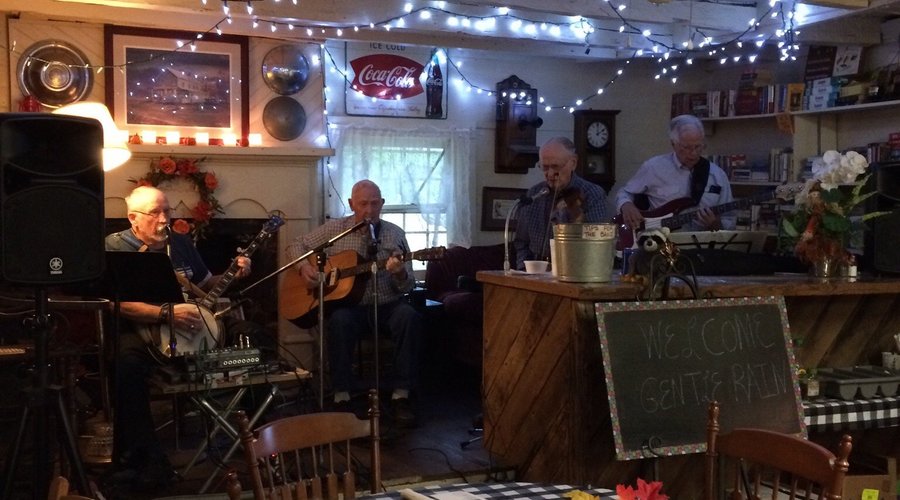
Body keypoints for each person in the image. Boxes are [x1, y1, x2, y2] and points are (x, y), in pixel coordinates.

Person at [105, 186, 264, 493]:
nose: (164, 218)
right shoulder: (115, 247)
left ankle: (255, 436)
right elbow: (112, 303)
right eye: (155, 213)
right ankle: (147, 458)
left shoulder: (180, 243)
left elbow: (206, 284)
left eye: (168, 211)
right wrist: (164, 314)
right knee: (125, 364)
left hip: (192, 326)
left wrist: (235, 272)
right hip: (141, 329)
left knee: (255, 338)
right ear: (133, 218)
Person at [286, 180, 422, 427]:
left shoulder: (395, 235)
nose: (369, 210)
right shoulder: (335, 230)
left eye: (374, 203)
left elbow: (408, 285)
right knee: (339, 320)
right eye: (363, 204)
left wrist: (399, 273)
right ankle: (342, 394)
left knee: (409, 316)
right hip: (351, 307)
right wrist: (303, 266)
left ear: (382, 204)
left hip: (387, 306)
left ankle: (401, 394)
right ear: (351, 204)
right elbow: (296, 245)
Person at [616, 114, 735, 233]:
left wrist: (715, 224)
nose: (693, 153)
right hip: (661, 243)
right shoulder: (653, 167)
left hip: (702, 246)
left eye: (698, 146)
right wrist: (626, 205)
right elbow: (625, 192)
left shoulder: (718, 175)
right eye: (687, 147)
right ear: (673, 144)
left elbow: (729, 220)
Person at [514, 136, 609, 270]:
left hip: (576, 270)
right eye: (545, 167)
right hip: (536, 271)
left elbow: (597, 244)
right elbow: (521, 242)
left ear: (573, 163)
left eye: (556, 167)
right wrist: (523, 270)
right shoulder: (534, 194)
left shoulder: (593, 194)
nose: (550, 174)